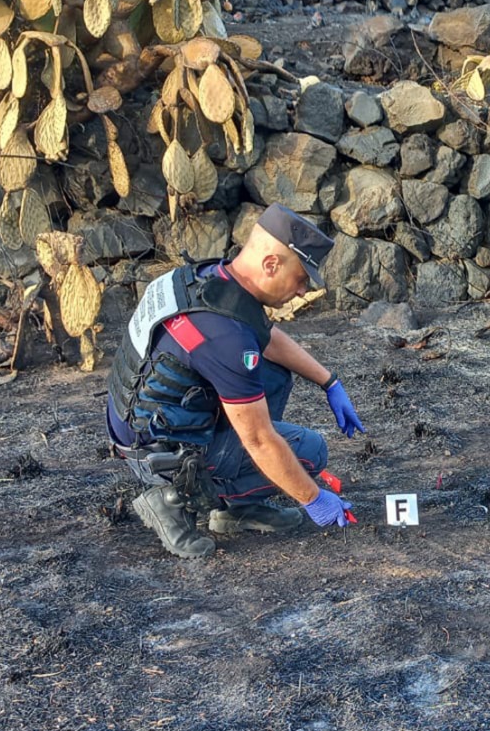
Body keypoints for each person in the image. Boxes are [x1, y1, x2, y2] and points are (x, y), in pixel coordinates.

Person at [106, 204, 365, 559]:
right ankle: (171, 498)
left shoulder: (204, 280)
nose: (304, 291)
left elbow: (265, 336)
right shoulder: (225, 337)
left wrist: (329, 382)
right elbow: (258, 440)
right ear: (271, 264)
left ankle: (236, 508)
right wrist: (313, 498)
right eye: (302, 278)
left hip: (140, 423)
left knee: (272, 375)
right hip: (160, 454)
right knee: (309, 452)